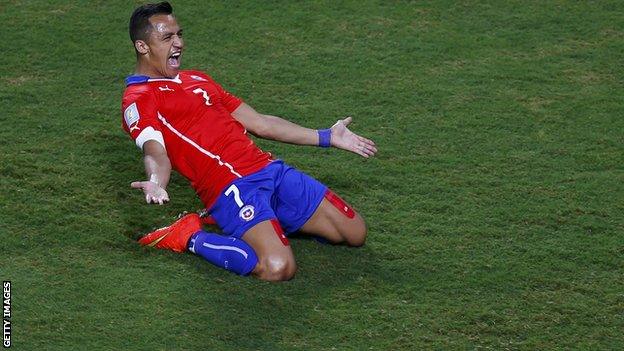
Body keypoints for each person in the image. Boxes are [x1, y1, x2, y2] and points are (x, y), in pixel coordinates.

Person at [121, 2, 377, 281]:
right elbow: (155, 151)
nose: (179, 43)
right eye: (168, 38)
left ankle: (262, 221)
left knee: (354, 232)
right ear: (143, 46)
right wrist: (156, 183)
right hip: (229, 187)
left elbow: (260, 123)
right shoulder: (139, 98)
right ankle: (188, 236)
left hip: (269, 169)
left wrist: (326, 136)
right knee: (278, 267)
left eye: (179, 34)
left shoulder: (197, 79)